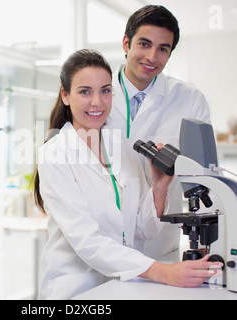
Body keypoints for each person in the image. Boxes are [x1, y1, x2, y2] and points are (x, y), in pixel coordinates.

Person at [34, 49, 221, 300]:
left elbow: (142, 229)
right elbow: (87, 241)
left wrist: (159, 188)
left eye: (105, 90)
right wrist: (164, 272)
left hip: (124, 286)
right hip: (76, 290)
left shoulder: (121, 147)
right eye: (85, 91)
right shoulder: (54, 154)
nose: (98, 102)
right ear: (65, 96)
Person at [105, 5, 212, 259]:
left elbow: (204, 175)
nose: (152, 57)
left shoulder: (190, 100)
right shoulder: (95, 93)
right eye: (144, 44)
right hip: (101, 240)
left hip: (158, 246)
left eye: (163, 49)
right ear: (126, 43)